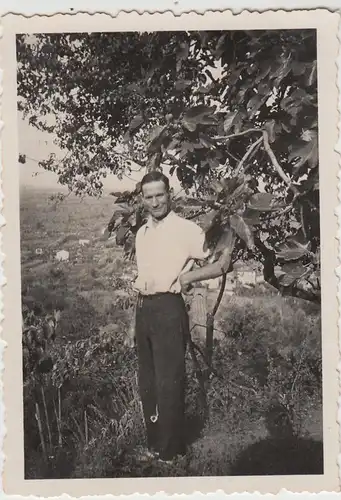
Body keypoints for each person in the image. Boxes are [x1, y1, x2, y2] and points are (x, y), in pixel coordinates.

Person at [125, 171, 234, 462]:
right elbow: (142, 276)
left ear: (169, 194)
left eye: (160, 194)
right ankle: (154, 444)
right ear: (142, 200)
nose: (155, 201)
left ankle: (171, 452)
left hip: (168, 308)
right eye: (149, 197)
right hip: (143, 310)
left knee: (169, 380)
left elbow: (223, 260)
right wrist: (133, 325)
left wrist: (190, 276)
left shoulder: (186, 229)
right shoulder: (142, 233)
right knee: (147, 382)